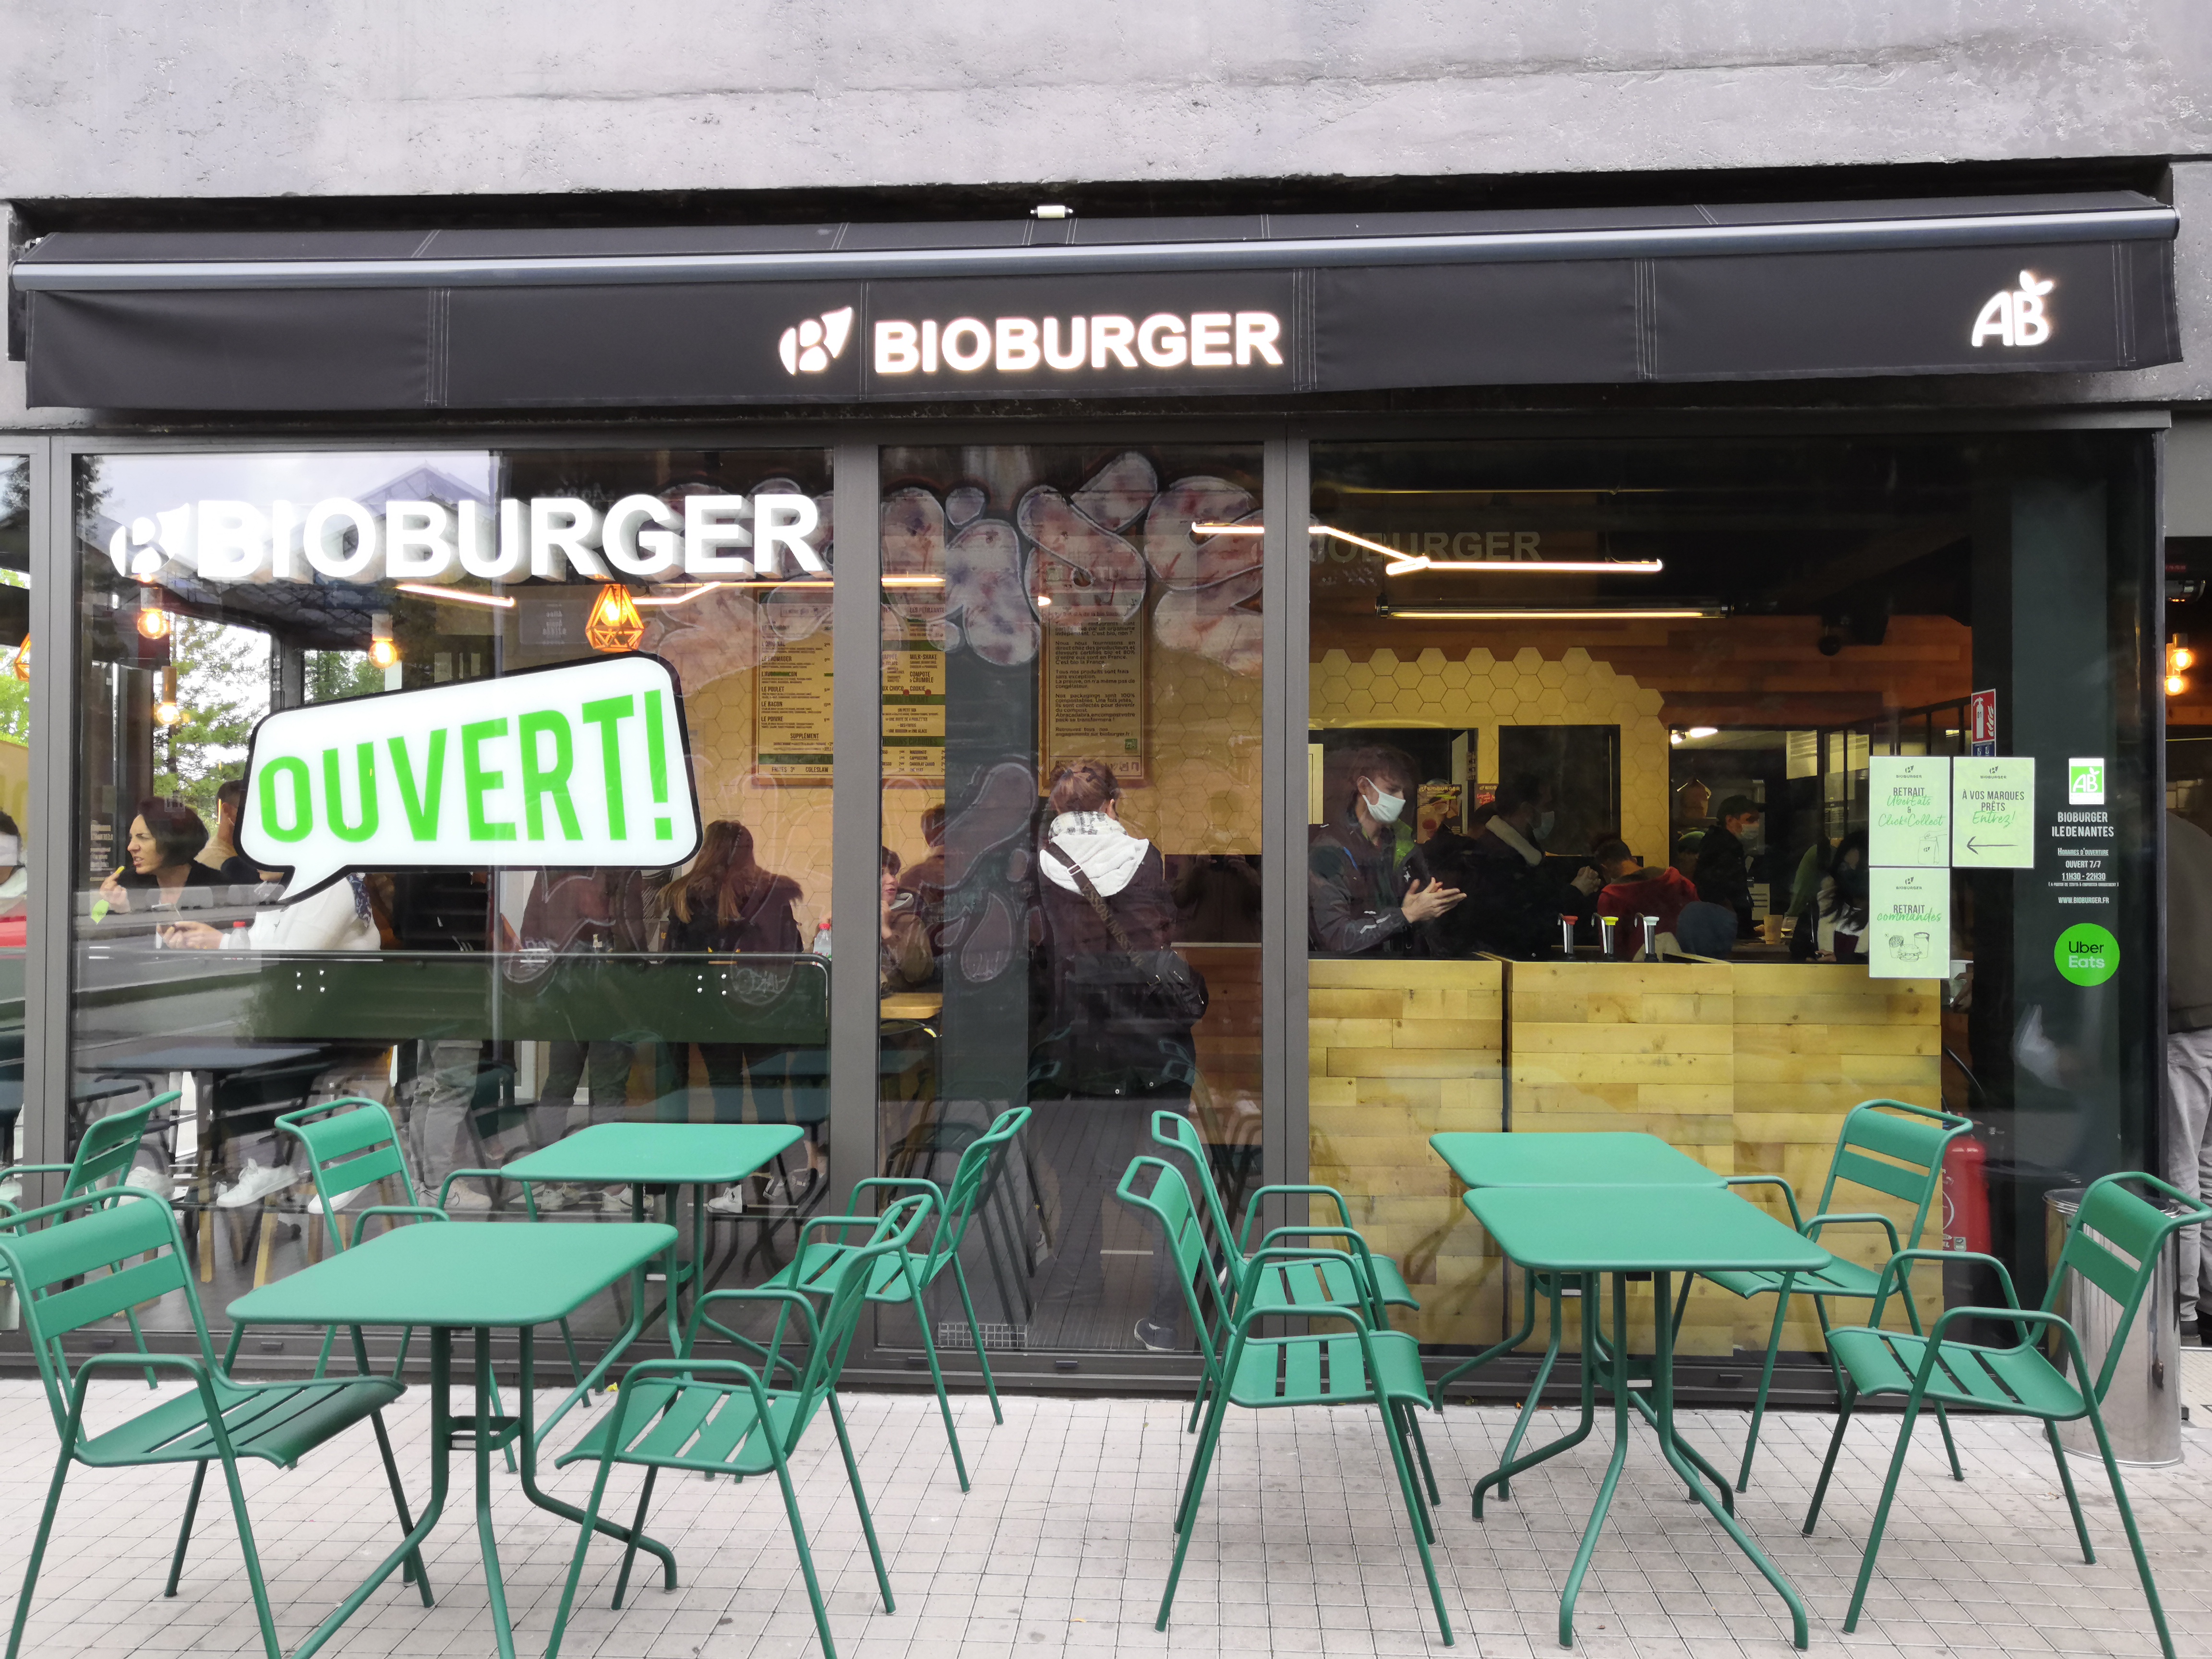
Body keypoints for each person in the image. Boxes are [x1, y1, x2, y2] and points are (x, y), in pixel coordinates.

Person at [1031, 758, 1198, 1352]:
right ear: (1112, 804)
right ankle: (1168, 1313)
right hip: (1153, 1040)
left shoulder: (1039, 866)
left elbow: (1036, 953)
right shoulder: (1146, 858)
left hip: (1078, 1043)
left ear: (1056, 807)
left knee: (1082, 1168)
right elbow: (1162, 934)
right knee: (1160, 1170)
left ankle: (1081, 1283)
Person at [665, 819, 821, 1201]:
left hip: (712, 1011)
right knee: (769, 1093)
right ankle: (776, 1176)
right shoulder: (772, 894)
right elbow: (793, 952)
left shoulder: (686, 897)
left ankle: (733, 1186)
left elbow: (677, 962)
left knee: (726, 1094)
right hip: (766, 1007)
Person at [1308, 744, 1461, 956]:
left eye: (1404, 792)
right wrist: (1406, 915)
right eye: (1392, 790)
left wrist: (1427, 912)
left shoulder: (1404, 846)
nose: (1401, 799)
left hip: (1402, 970)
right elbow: (1337, 937)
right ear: (1364, 787)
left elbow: (1423, 928)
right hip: (1351, 974)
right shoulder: (1329, 851)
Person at [1427, 772, 1599, 960]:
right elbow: (1522, 922)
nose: (1551, 813)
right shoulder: (1495, 858)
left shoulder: (1519, 853)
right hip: (1499, 965)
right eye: (1546, 806)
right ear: (1527, 810)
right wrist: (1574, 892)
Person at [2167, 810, 2212, 1341]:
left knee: (2179, 1176)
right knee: (2207, 1172)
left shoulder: (2142, 843)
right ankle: (2207, 1302)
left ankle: (2182, 1315)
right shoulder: (2199, 839)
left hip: (2183, 1024)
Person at [97, 797, 218, 928]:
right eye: (132, 838)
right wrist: (119, 909)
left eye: (143, 838)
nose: (131, 847)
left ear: (173, 841)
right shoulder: (126, 884)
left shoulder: (218, 887)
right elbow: (97, 930)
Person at [1592, 839, 1701, 953]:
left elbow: (1611, 949)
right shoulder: (1679, 881)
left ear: (1605, 869)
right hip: (1685, 960)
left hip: (1641, 963)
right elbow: (1699, 920)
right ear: (1634, 860)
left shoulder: (1611, 897)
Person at [1694, 794, 1763, 939]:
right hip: (1724, 932)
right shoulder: (1721, 849)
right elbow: (1721, 893)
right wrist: (1741, 928)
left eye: (1757, 820)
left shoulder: (1726, 846)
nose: (1756, 825)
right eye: (1750, 820)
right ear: (1730, 820)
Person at [195, 779, 271, 896]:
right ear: (227, 810)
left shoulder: (248, 851)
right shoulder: (219, 862)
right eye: (254, 809)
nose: (261, 817)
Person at [1816, 829, 1871, 962]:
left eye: (1860, 869)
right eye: (1846, 867)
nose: (1852, 875)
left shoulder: (1891, 919)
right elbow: (1799, 954)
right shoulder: (1820, 907)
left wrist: (1842, 961)